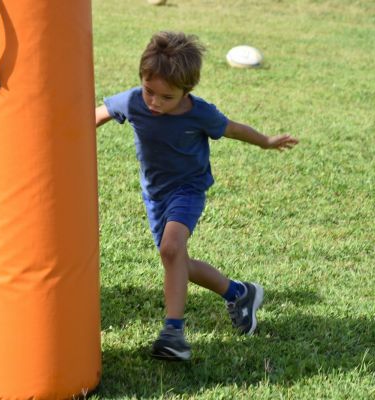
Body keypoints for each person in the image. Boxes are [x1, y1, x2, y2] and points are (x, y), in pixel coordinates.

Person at [95, 31, 298, 361]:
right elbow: (96, 116)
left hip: (187, 189)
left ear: (186, 91)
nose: (155, 103)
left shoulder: (198, 113)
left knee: (172, 249)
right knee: (177, 261)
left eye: (167, 97)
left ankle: (173, 332)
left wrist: (266, 141)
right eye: (150, 92)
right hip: (155, 197)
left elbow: (232, 129)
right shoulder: (133, 101)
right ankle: (239, 293)